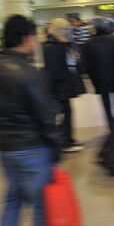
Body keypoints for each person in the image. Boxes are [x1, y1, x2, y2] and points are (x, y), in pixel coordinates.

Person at [0, 15, 64, 226]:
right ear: (26, 38)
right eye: (34, 36)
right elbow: (44, 116)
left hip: (5, 148)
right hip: (31, 148)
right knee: (41, 206)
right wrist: (56, 147)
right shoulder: (29, 73)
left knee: (12, 203)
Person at [42, 18, 86, 153]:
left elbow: (72, 64)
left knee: (67, 113)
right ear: (55, 30)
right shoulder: (51, 47)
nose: (65, 32)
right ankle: (65, 142)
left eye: (67, 29)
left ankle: (68, 139)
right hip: (59, 88)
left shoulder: (63, 45)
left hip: (65, 86)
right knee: (63, 115)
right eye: (62, 29)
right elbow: (55, 70)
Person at [85, 17, 114, 128]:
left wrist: (91, 77)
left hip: (100, 76)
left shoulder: (89, 43)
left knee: (105, 100)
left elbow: (88, 64)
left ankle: (110, 122)